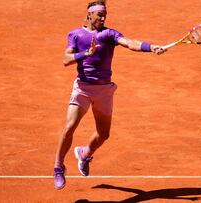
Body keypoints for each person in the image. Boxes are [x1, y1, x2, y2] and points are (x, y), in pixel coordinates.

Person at [53, 0, 165, 190]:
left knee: (103, 134)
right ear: (89, 15)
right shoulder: (76, 34)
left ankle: (84, 153)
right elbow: (66, 59)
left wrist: (150, 47)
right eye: (99, 15)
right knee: (69, 126)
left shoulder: (109, 34)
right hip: (83, 88)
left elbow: (130, 43)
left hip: (104, 90)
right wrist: (85, 54)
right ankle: (58, 167)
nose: (103, 18)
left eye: (105, 14)